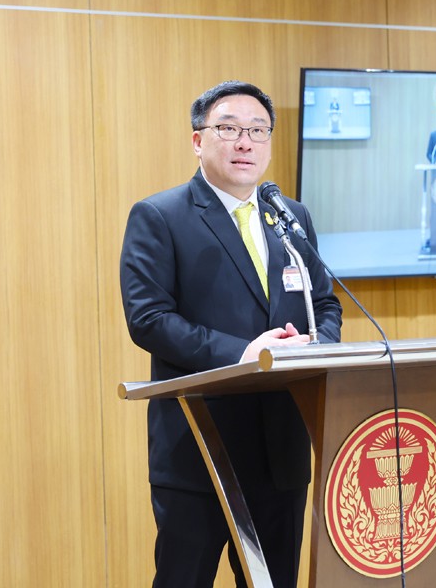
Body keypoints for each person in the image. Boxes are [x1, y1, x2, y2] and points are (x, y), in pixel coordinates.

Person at [119, 80, 343, 588]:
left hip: (282, 447)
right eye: (229, 129)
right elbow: (149, 318)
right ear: (198, 140)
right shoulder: (160, 216)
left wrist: (318, 349)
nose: (246, 142)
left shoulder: (290, 216)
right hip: (201, 446)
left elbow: (326, 303)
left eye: (258, 131)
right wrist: (246, 353)